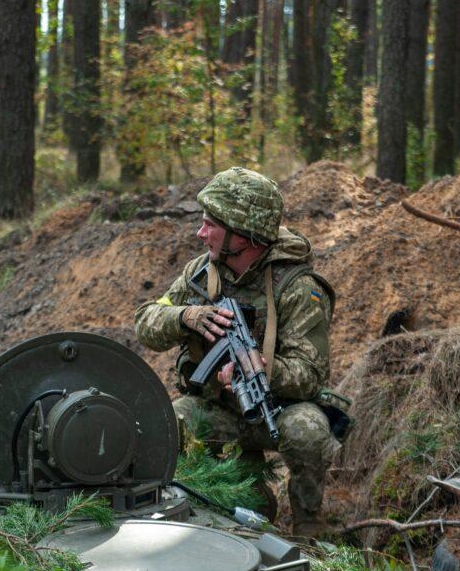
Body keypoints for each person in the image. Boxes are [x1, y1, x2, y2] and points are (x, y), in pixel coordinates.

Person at [134, 166, 339, 536]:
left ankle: (309, 522)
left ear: (242, 233)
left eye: (210, 224)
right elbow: (146, 320)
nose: (201, 233)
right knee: (171, 424)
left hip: (276, 411)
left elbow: (311, 374)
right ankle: (200, 502)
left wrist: (264, 367)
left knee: (310, 430)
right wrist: (186, 316)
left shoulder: (299, 289)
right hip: (219, 409)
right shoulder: (201, 273)